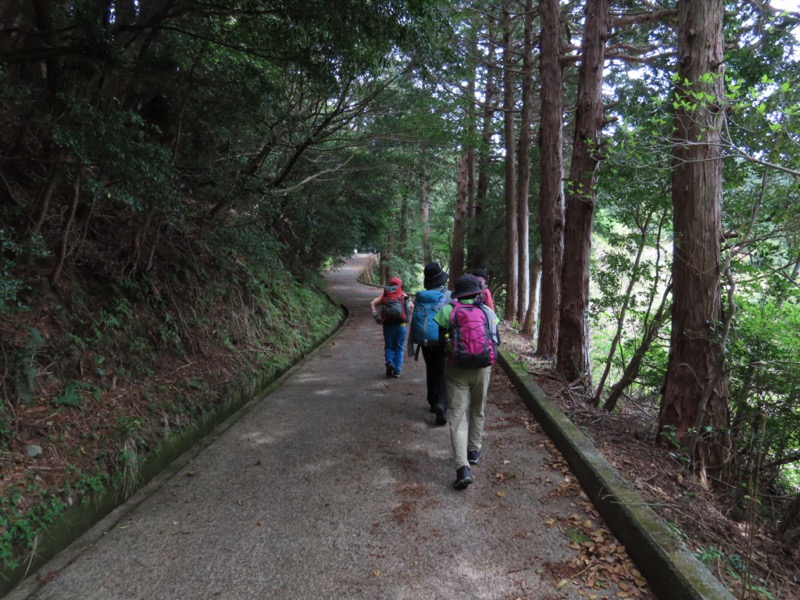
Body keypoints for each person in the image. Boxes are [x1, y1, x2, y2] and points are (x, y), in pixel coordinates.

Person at [434, 274, 500, 490]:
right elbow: (495, 339)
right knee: (478, 409)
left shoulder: (448, 310)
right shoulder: (487, 311)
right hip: (482, 369)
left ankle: (462, 468)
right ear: (476, 293)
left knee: (457, 417)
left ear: (458, 293)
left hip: (456, 369)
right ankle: (474, 451)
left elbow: (439, 339)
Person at [409, 262, 451, 426]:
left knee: (430, 367)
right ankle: (441, 402)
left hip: (425, 340)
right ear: (441, 279)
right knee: (441, 370)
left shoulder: (422, 296)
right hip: (442, 338)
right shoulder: (448, 296)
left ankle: (432, 401)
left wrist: (412, 342)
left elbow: (415, 320)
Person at [370, 277, 412, 378]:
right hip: (401, 325)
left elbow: (372, 303)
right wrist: (408, 317)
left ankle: (389, 362)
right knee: (399, 348)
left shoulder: (385, 295)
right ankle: (397, 371)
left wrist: (376, 317)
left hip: (388, 325)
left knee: (389, 346)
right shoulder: (403, 295)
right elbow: (412, 307)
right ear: (400, 285)